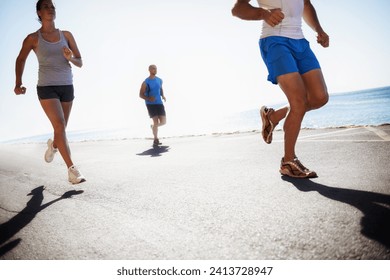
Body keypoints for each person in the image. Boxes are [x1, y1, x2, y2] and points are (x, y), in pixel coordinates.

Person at [232, 0, 329, 178]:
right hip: (274, 41)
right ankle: (288, 162)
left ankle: (273, 116)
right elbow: (238, 9)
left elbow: (306, 5)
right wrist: (263, 14)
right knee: (298, 102)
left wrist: (319, 30)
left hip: (300, 42)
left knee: (319, 97)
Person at [14, 0, 85, 184]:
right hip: (46, 87)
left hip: (67, 86)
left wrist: (70, 58)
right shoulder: (33, 38)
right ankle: (72, 170)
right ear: (39, 13)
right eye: (46, 7)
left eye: (52, 6)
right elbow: (20, 59)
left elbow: (80, 62)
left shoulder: (66, 35)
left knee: (60, 130)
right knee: (60, 126)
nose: (50, 9)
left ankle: (53, 146)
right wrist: (18, 83)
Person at [139, 65, 167, 146]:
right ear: (149, 70)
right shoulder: (145, 82)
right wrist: (148, 98)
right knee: (156, 122)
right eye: (153, 68)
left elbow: (160, 88)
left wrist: (163, 95)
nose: (155, 70)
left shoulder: (159, 80)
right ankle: (156, 139)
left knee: (164, 122)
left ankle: (153, 127)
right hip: (150, 104)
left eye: (156, 68)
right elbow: (140, 95)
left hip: (159, 103)